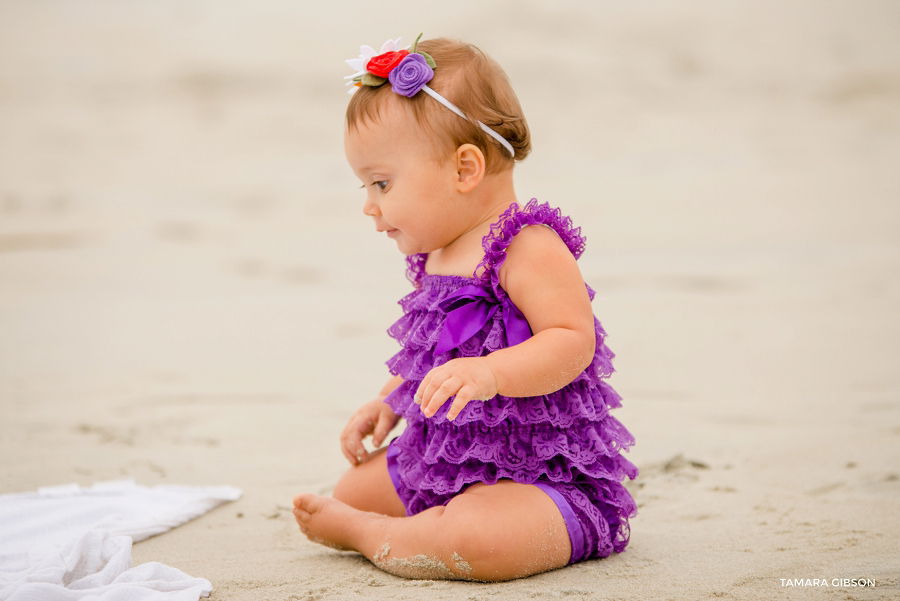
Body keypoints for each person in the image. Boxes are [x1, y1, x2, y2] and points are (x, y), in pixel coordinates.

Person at [293, 35, 637, 582]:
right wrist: (389, 402)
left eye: (381, 182)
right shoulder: (437, 254)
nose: (368, 204)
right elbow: (431, 355)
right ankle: (408, 520)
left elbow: (572, 340)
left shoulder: (526, 247)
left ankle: (371, 536)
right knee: (353, 487)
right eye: (364, 185)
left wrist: (492, 372)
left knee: (483, 540)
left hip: (538, 473)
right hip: (447, 454)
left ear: (465, 169)